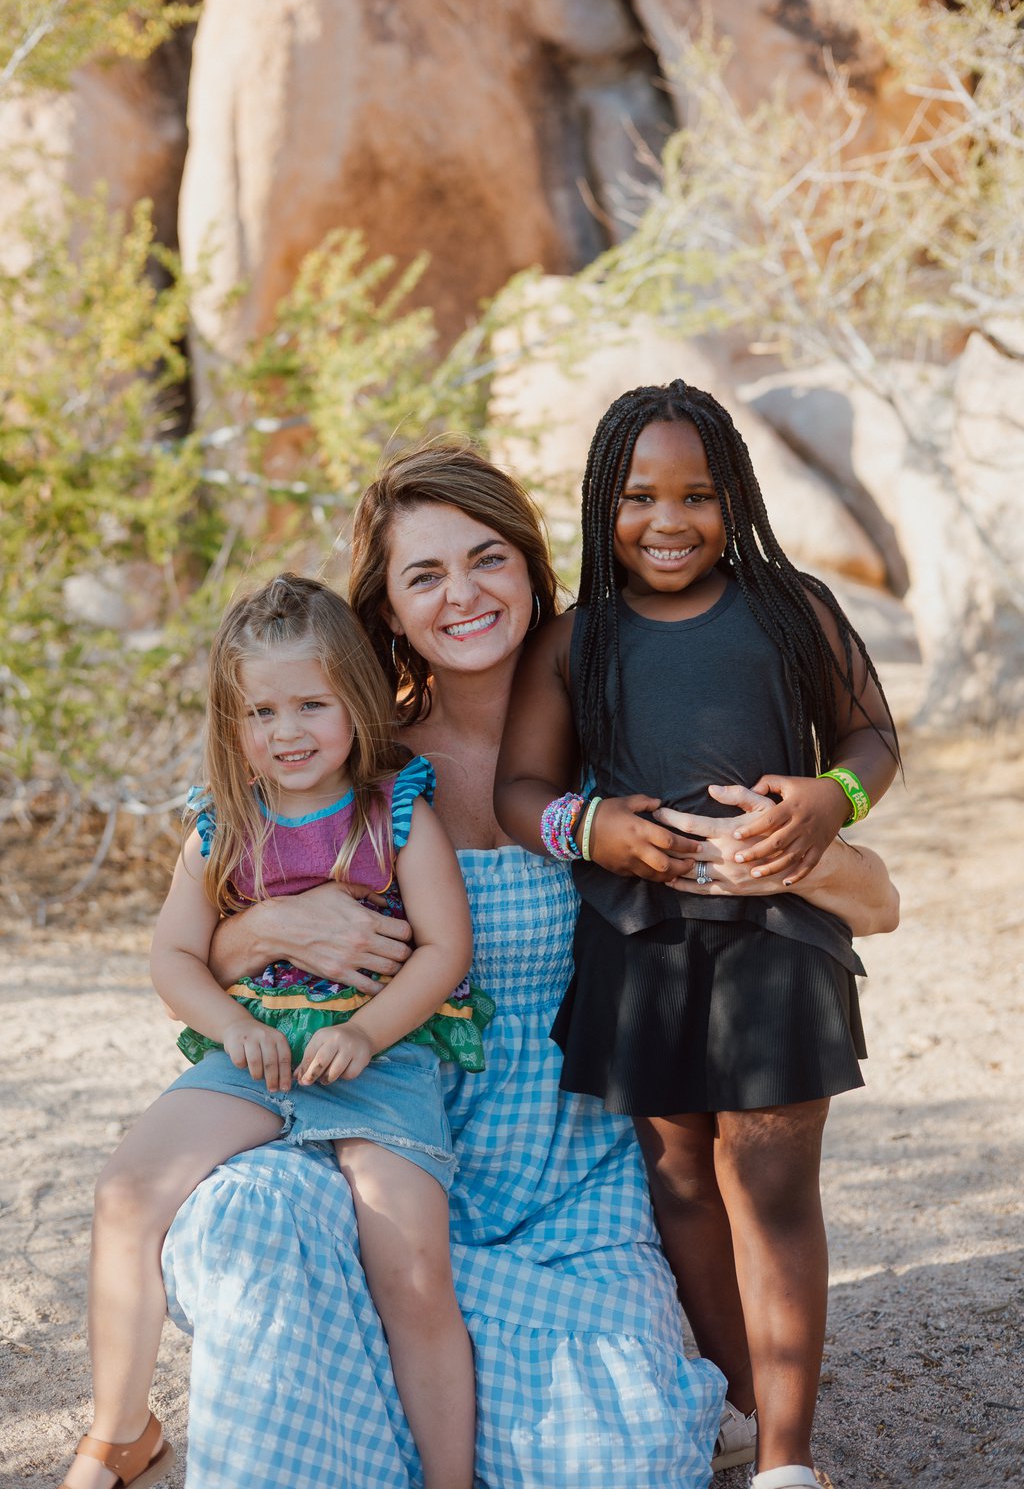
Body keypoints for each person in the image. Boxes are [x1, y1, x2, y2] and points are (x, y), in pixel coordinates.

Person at [160, 443, 900, 1489]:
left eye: (487, 559)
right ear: (388, 606)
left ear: (533, 569)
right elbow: (204, 944)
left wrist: (786, 848)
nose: (461, 595)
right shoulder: (353, 766)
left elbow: (880, 903)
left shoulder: (620, 751)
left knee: (618, 1457)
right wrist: (266, 933)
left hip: (569, 1179)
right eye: (424, 575)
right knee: (261, 1237)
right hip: (385, 1154)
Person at [494, 381, 901, 1489]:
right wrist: (588, 827)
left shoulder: (791, 610)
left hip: (777, 934)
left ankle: (786, 1455)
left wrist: (833, 800)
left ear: (737, 500)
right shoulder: (576, 641)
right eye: (636, 496)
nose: (666, 521)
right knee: (678, 1181)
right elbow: (517, 787)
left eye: (697, 495)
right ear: (599, 504)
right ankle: (727, 1392)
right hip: (638, 944)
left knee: (771, 1186)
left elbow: (871, 733)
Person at [60, 574, 478, 1489]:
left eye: (311, 705)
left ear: (355, 704)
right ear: (232, 722)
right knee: (129, 1191)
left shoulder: (394, 813)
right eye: (261, 712)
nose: (287, 733)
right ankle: (118, 1433)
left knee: (411, 1264)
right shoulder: (222, 827)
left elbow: (445, 950)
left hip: (380, 1061)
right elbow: (175, 957)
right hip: (252, 1058)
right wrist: (227, 1026)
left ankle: (449, 1478)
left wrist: (367, 1032)